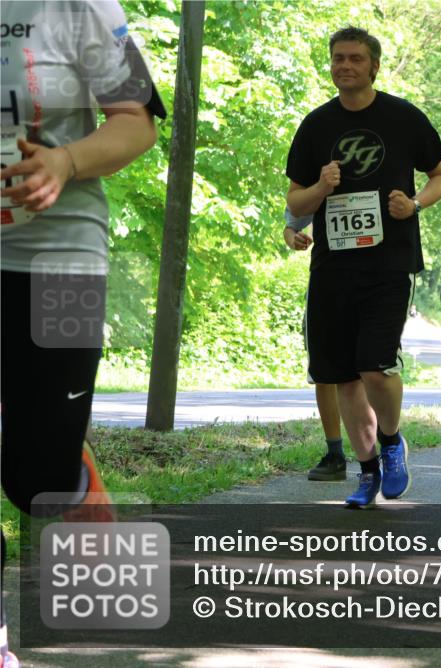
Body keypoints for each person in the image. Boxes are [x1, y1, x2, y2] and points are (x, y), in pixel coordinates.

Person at [1, 2, 164, 665]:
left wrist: (64, 162)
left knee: (34, 474)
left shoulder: (79, 7)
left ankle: (69, 468)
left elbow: (138, 123)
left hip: (62, 255)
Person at [285, 26, 441, 507]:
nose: (345, 66)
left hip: (389, 262)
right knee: (341, 376)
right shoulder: (316, 125)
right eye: (338, 58)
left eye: (355, 58)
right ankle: (366, 472)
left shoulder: (403, 117)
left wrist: (416, 204)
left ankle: (392, 441)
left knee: (375, 367)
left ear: (374, 65)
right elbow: (295, 199)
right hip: (333, 267)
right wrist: (319, 189)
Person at [283, 208, 347, 480]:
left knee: (373, 369)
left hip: (378, 277)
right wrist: (292, 236)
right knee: (324, 369)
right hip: (327, 276)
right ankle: (335, 454)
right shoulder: (322, 168)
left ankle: (384, 446)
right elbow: (292, 222)